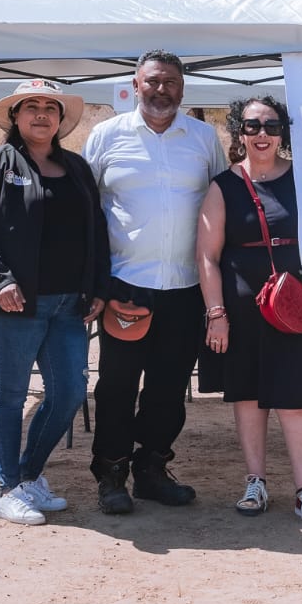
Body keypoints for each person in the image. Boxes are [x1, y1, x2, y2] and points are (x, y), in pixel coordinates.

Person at [82, 50, 230, 514]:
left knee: (168, 388)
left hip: (187, 289)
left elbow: (223, 205)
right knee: (116, 387)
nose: (161, 89)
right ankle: (111, 476)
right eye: (153, 81)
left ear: (183, 88)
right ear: (135, 83)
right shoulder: (106, 136)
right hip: (126, 287)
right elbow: (87, 212)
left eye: (170, 82)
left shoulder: (204, 139)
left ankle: (151, 470)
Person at [0, 80, 109, 526]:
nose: (42, 114)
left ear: (61, 120)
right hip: (12, 303)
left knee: (67, 393)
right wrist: (1, 280)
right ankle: (8, 489)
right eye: (32, 107)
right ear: (15, 117)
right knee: (8, 394)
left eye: (51, 108)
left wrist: (98, 286)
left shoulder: (78, 168)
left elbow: (97, 231)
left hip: (70, 304)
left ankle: (28, 476)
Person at [197, 97, 302, 526]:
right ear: (238, 132)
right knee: (248, 398)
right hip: (241, 307)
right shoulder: (222, 186)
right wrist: (216, 313)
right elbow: (207, 257)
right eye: (252, 125)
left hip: (299, 303)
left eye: (271, 125)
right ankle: (255, 482)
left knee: (298, 400)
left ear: (283, 132)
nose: (262, 134)